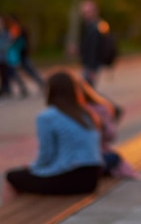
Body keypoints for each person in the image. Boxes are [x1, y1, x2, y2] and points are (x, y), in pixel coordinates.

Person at [2, 70, 103, 204]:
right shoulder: (86, 114)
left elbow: (46, 155)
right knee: (27, 178)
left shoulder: (47, 117)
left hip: (69, 177)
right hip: (92, 178)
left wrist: (32, 167)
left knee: (11, 177)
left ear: (50, 91)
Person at [78, 0, 106, 88]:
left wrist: (92, 68)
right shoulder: (89, 26)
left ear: (95, 12)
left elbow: (94, 48)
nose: (85, 15)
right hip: (88, 63)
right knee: (88, 88)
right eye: (84, 12)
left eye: (88, 12)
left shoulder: (95, 27)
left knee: (88, 89)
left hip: (91, 65)